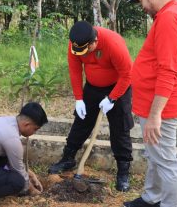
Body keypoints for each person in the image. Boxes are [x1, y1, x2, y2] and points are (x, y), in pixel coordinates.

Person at [123, 0, 177, 206]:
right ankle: (152, 198)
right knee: (156, 156)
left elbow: (168, 71)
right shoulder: (169, 14)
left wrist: (155, 115)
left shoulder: (169, 18)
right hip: (153, 102)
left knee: (165, 160)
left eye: (141, 0)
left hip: (161, 105)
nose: (141, 6)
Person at [48, 21, 134, 192]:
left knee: (120, 128)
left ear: (95, 41)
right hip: (92, 87)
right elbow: (75, 70)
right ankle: (68, 158)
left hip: (118, 87)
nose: (84, 54)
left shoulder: (113, 44)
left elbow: (127, 74)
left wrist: (112, 98)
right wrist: (79, 98)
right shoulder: (76, 44)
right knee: (81, 122)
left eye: (87, 50)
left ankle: (123, 171)